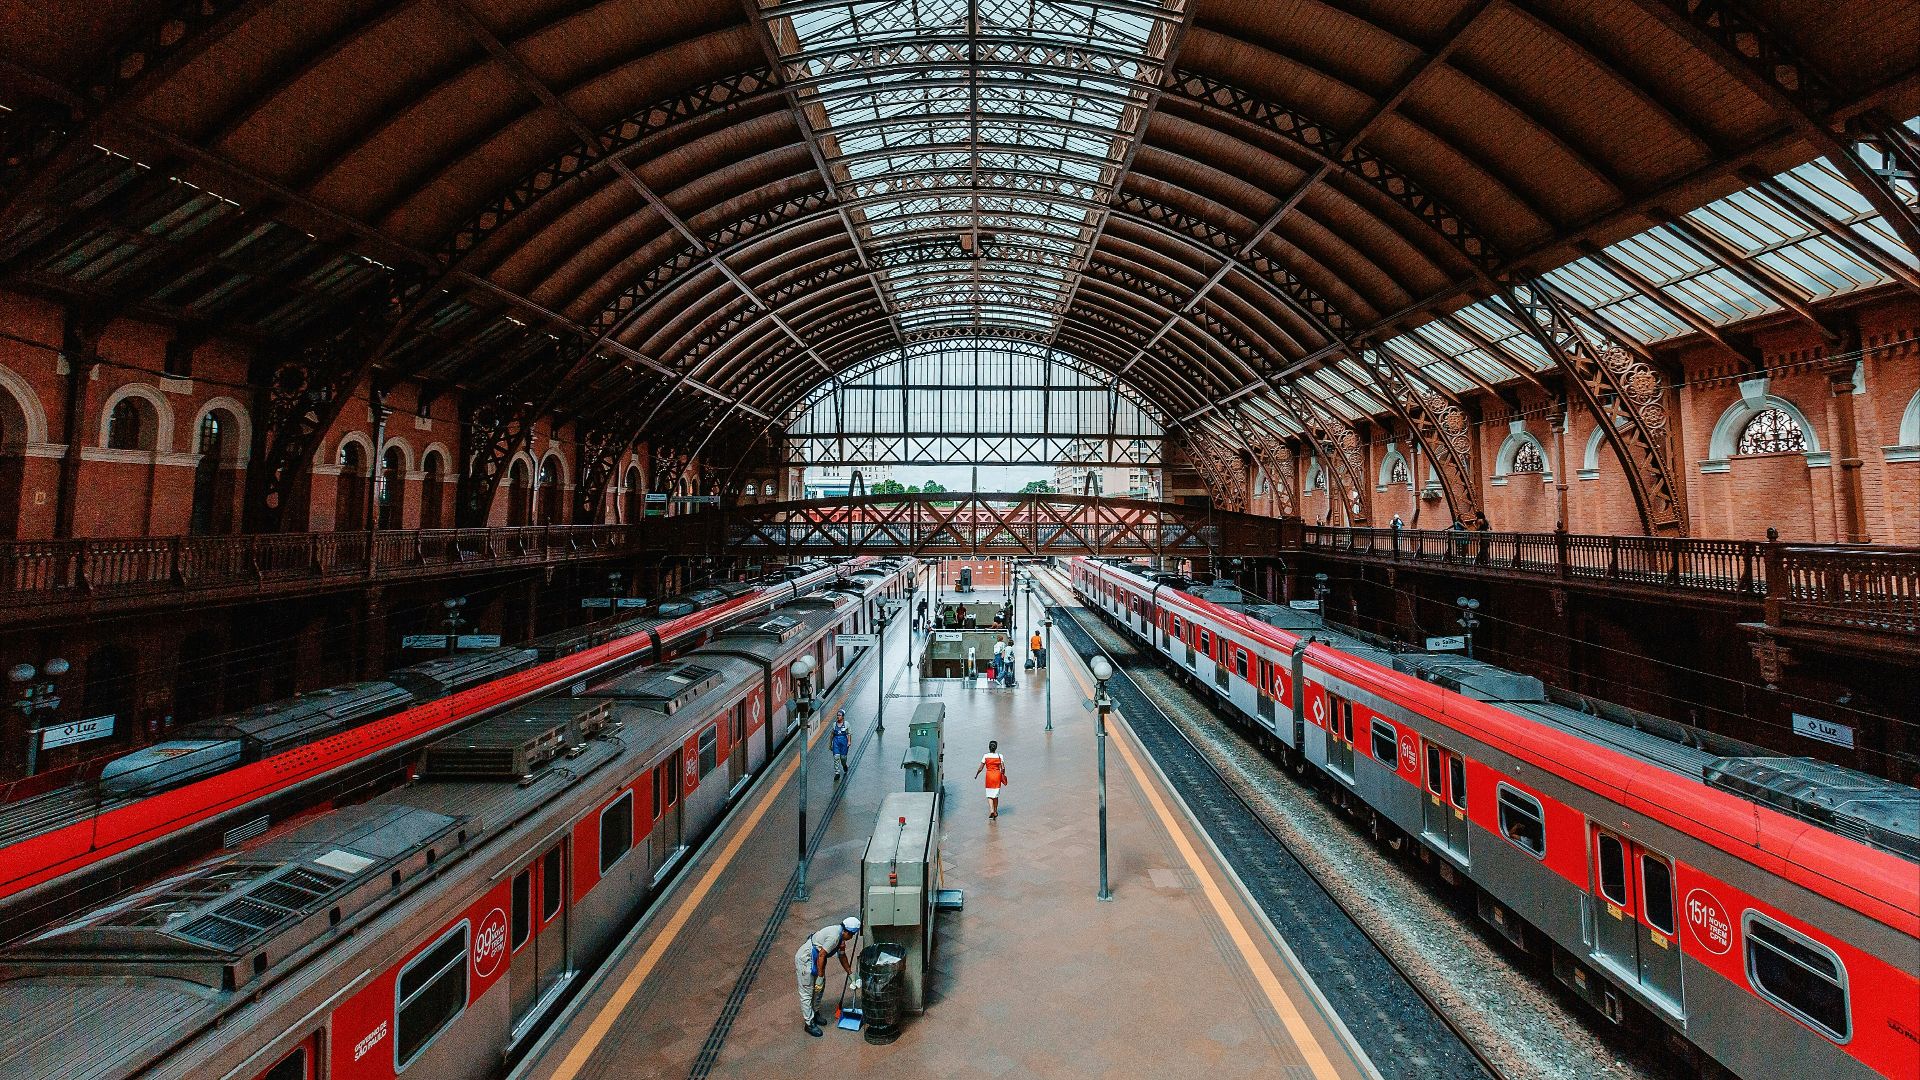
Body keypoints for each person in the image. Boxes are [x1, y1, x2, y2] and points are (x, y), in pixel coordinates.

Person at [795, 916, 862, 1036]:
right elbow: (821, 955)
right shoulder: (834, 937)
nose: (851, 938)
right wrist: (820, 977)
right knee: (807, 992)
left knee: (819, 989)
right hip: (807, 959)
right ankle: (809, 1023)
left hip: (817, 959)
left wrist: (851, 974)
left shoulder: (841, 937)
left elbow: (842, 956)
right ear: (846, 931)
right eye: (851, 935)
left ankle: (815, 1013)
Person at [974, 741, 1008, 819]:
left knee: (989, 795)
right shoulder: (1000, 756)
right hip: (997, 776)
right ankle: (995, 811)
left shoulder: (985, 756)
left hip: (989, 776)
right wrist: (1003, 775)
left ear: (989, 747)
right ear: (996, 748)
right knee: (995, 795)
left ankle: (991, 810)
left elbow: (980, 768)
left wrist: (977, 774)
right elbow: (1003, 768)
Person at [830, 710, 850, 782]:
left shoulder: (847, 724)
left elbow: (849, 733)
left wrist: (849, 741)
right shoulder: (834, 724)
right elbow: (832, 734)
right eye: (837, 715)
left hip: (844, 742)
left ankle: (844, 765)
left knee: (843, 757)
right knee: (836, 757)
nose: (838, 716)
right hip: (836, 742)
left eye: (840, 715)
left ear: (843, 717)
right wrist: (830, 744)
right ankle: (837, 773)